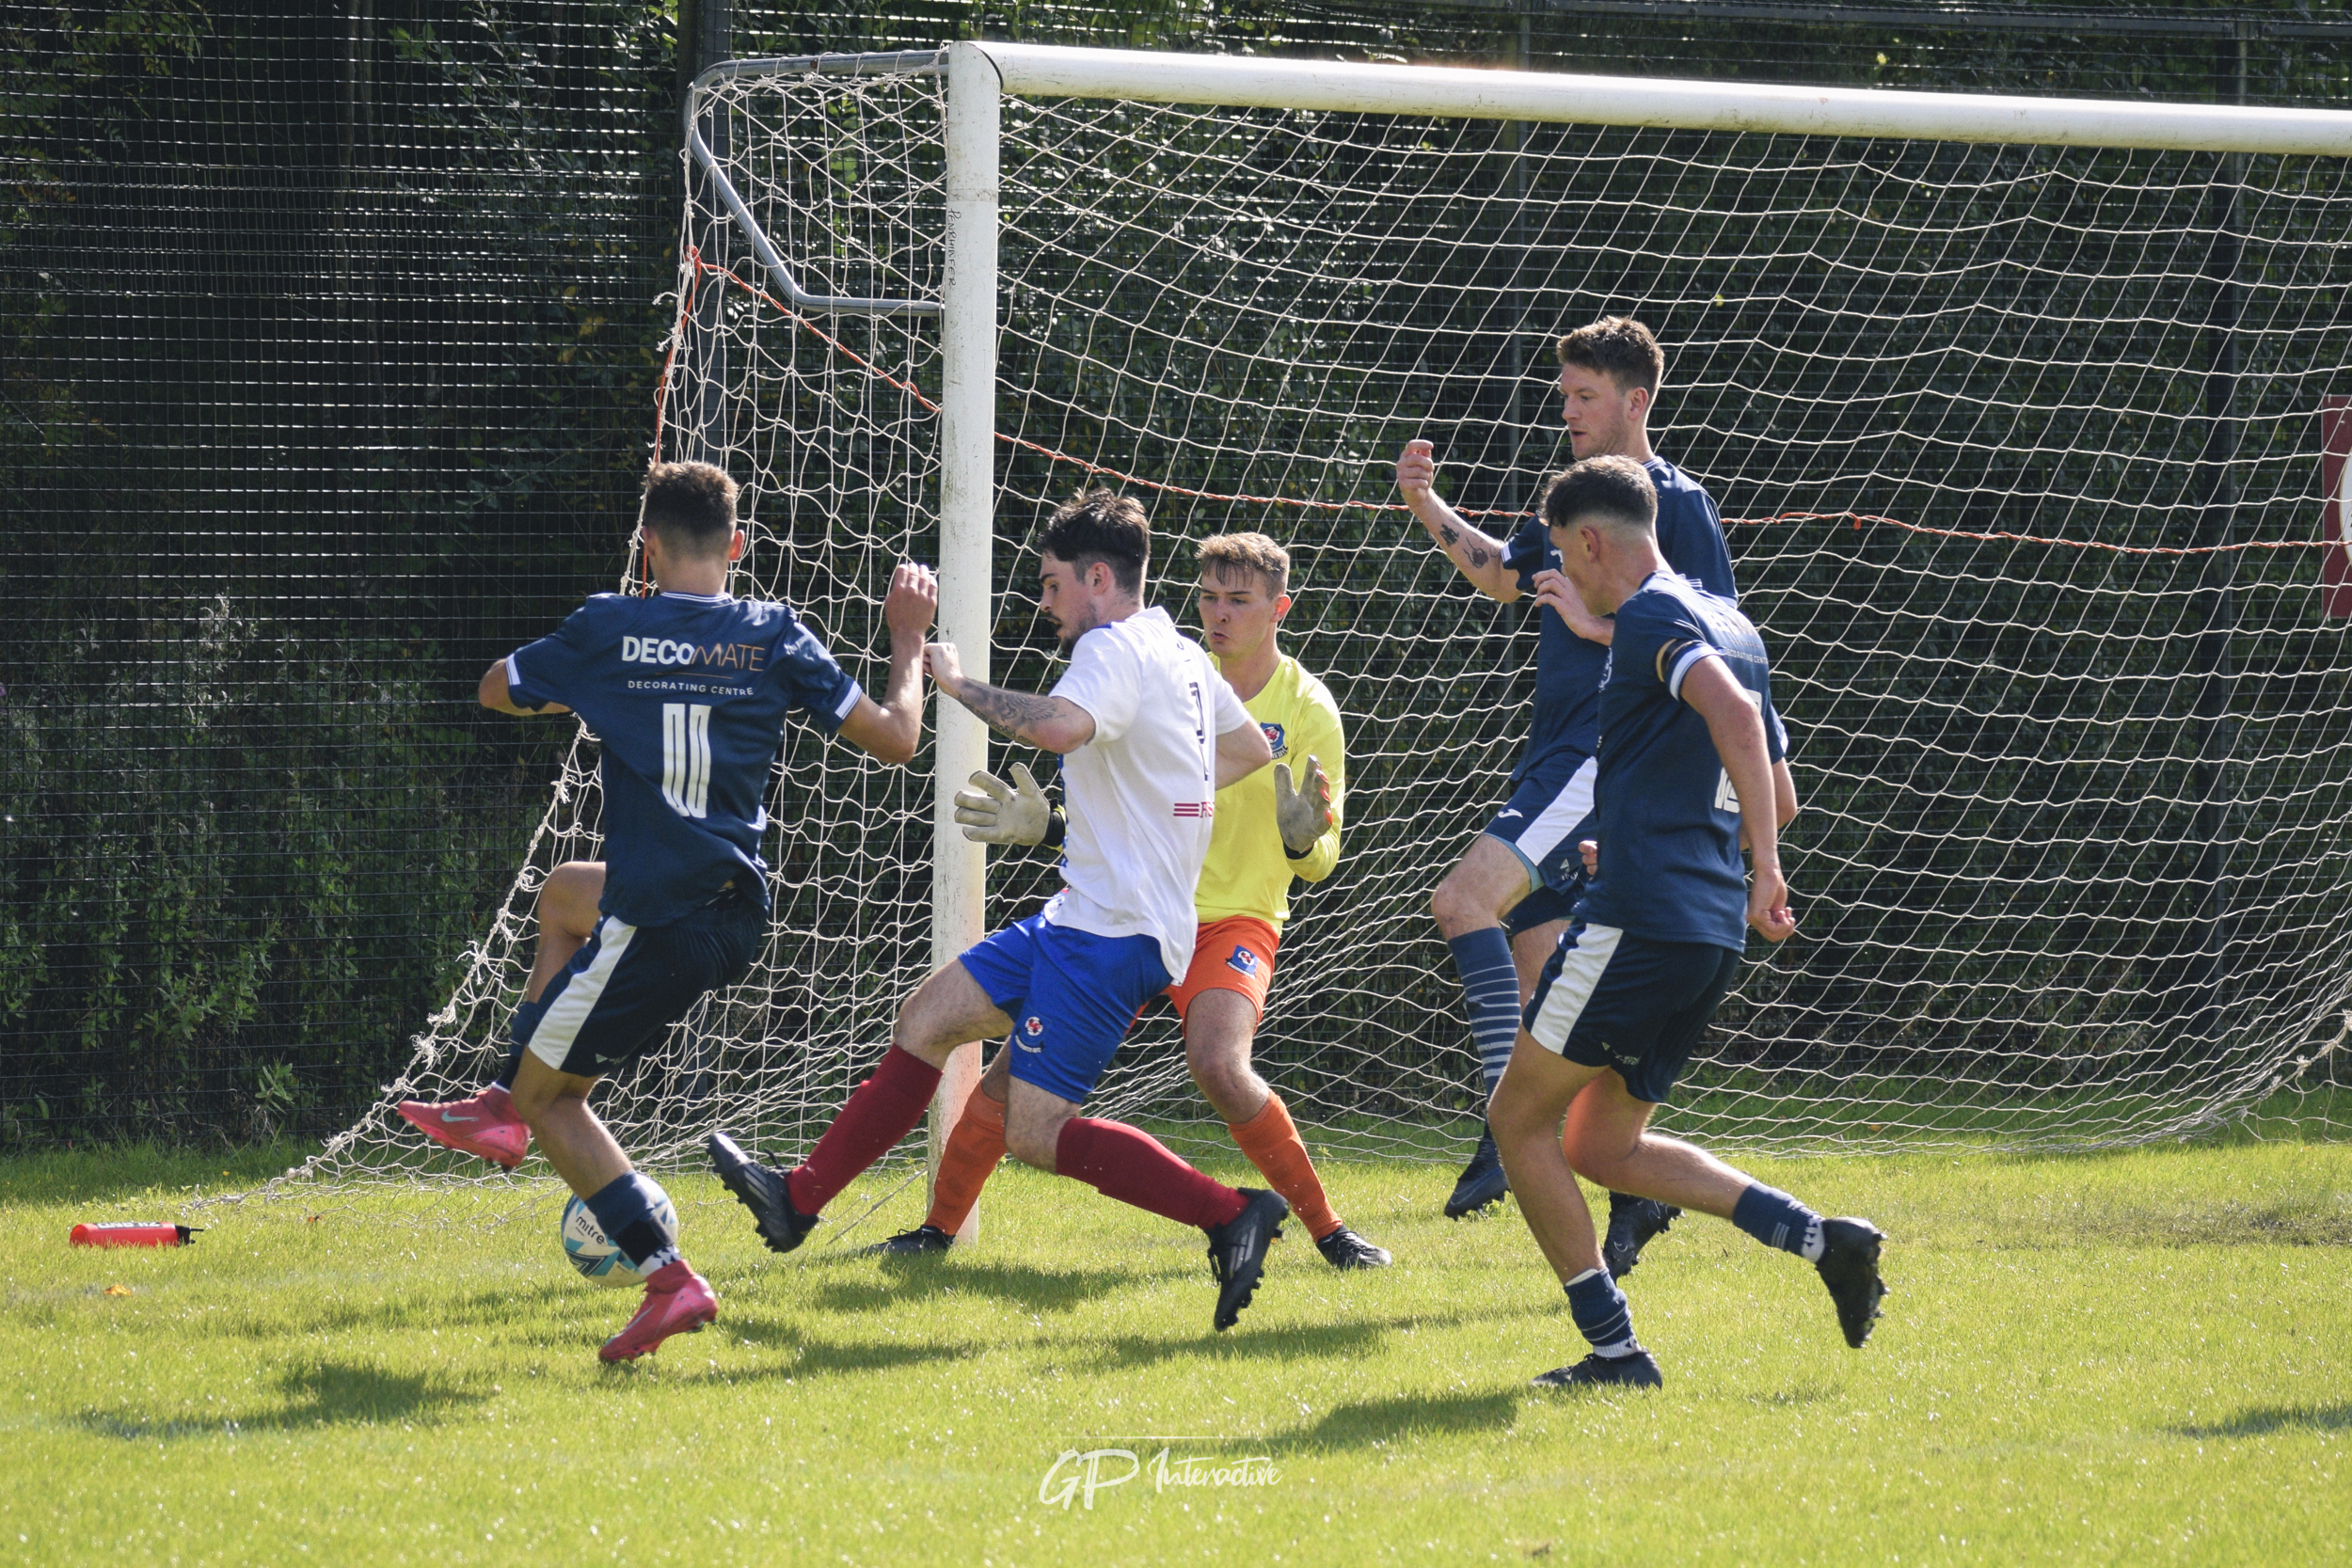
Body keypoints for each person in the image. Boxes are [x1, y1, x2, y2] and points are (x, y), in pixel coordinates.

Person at [707, 489, 1295, 1332]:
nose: (1046, 602)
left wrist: (955, 682)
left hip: (1112, 935)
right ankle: (796, 1200)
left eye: (1054, 584)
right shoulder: (1176, 652)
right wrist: (1162, 804)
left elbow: (1060, 727)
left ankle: (1230, 1213)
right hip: (1084, 915)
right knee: (927, 1017)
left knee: (1036, 1131)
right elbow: (1241, 749)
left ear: (1098, 578)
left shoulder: (1114, 649)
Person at [395, 460, 937, 1361]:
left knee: (551, 1099)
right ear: (738, 546)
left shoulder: (611, 626)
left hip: (661, 919)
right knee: (567, 892)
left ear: (644, 548)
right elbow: (899, 738)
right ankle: (496, 1102)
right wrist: (908, 640)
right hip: (730, 907)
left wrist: (587, 678)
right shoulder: (775, 634)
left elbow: (495, 686)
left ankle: (665, 1273)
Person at [873, 531, 1391, 1270]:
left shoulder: (1310, 708)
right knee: (1013, 1076)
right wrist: (1051, 826)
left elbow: (1321, 859)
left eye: (1238, 601)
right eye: (1208, 596)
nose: (1218, 614)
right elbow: (1129, 814)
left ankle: (1329, 1232)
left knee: (1219, 1063)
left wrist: (1305, 839)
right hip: (1138, 914)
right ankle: (937, 1230)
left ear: (1280, 609)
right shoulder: (1172, 669)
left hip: (1232, 919)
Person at [1490, 454, 1884, 1389]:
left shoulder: (1651, 616)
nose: (1571, 582)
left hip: (1639, 923)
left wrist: (1765, 867)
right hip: (1701, 929)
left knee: (1517, 1121)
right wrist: (1653, 835)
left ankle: (1615, 1349)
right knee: (1600, 1145)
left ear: (1591, 541)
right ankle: (1823, 1238)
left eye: (1568, 560)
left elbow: (1735, 719)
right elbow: (1774, 788)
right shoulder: (1732, 622)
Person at [1395, 314, 1734, 1271]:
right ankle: (1628, 1187)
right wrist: (1427, 504)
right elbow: (1507, 578)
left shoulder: (1675, 501)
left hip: (1599, 757)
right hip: (1551, 758)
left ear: (1637, 400)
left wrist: (1594, 630)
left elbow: (1712, 632)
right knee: (1551, 982)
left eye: (1586, 395)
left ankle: (1504, 1133)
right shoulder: (1573, 500)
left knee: (1461, 899)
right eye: (1564, 394)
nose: (1569, 409)